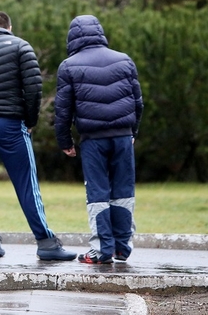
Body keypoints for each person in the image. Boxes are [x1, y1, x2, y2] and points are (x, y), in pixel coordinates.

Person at [0, 11, 76, 261]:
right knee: (26, 183)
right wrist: (29, 121)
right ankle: (46, 244)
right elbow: (34, 89)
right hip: (10, 124)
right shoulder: (21, 47)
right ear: (9, 27)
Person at [54, 14, 143, 264]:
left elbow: (63, 110)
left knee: (98, 193)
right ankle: (122, 247)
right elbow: (138, 102)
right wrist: (133, 132)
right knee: (124, 191)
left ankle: (102, 249)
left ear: (72, 37)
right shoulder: (124, 60)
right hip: (123, 137)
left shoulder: (69, 66)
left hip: (93, 140)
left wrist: (65, 141)